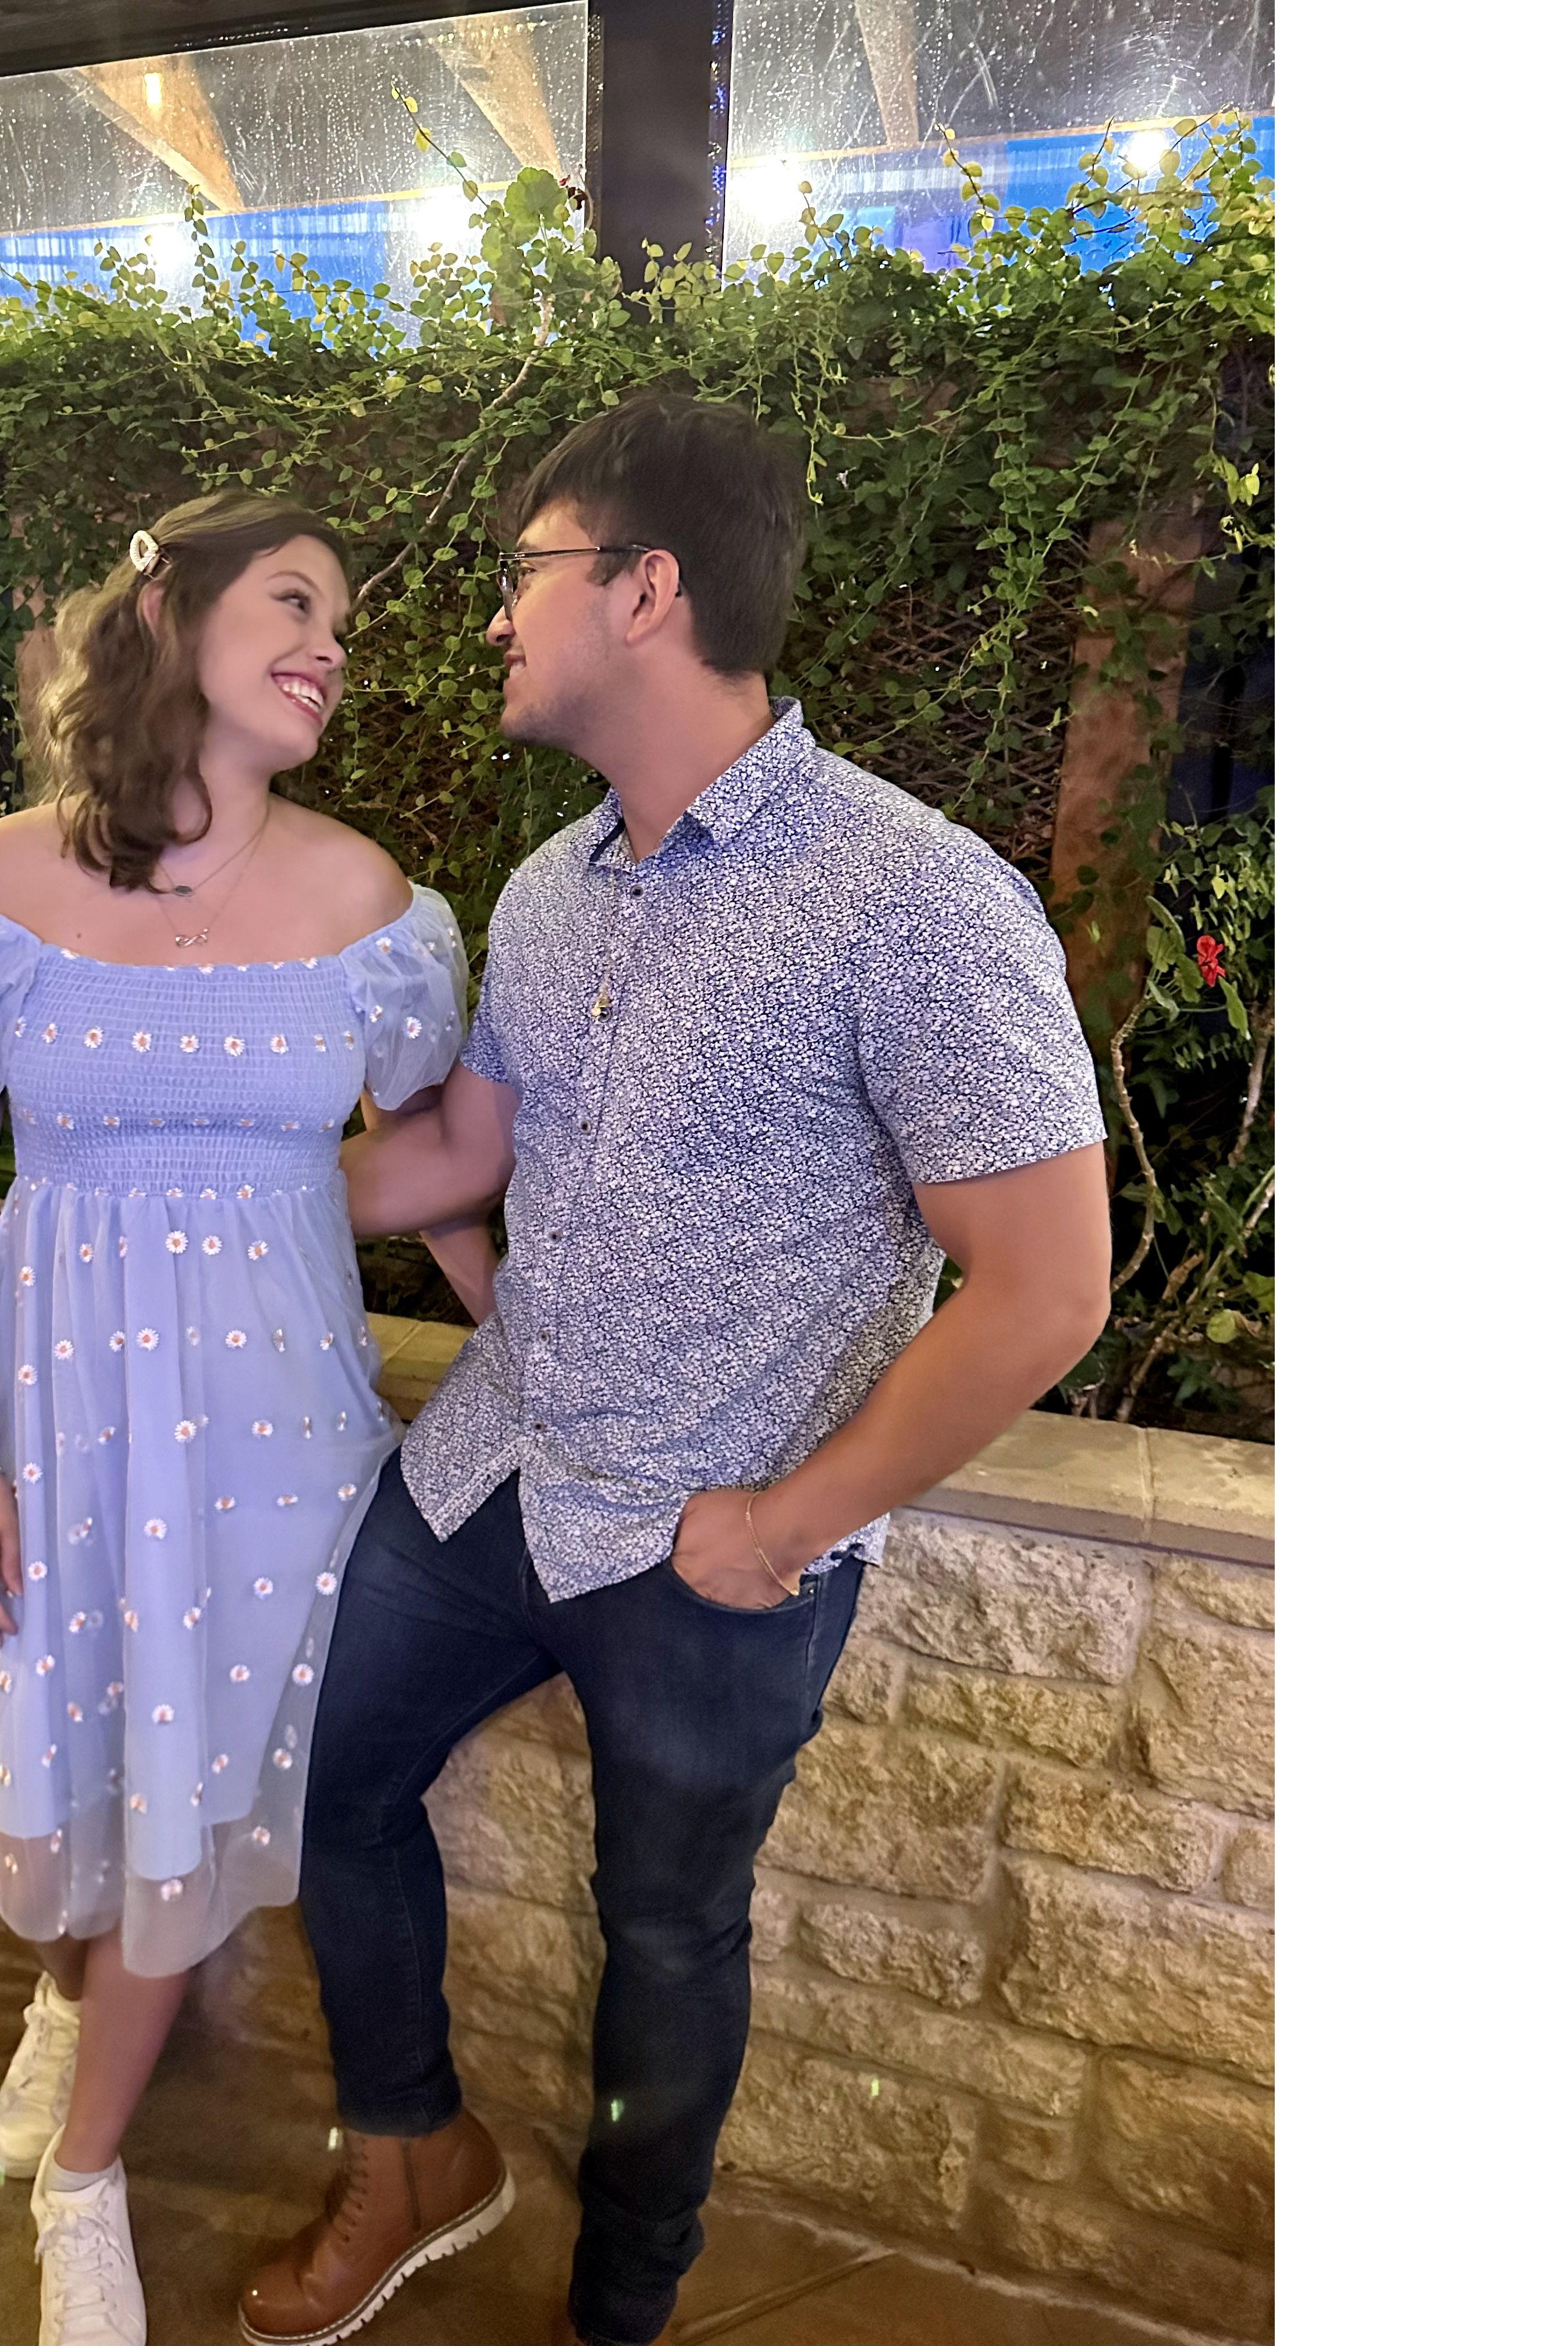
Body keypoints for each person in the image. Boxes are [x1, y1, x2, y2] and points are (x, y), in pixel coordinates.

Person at [238, 396, 1114, 2346]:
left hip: (715, 1542)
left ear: (646, 591)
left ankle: (619, 2312)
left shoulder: (917, 898)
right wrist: (198, 1187)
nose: (492, 619)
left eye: (522, 575)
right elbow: (462, 1158)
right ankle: (412, 2154)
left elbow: (1049, 1289)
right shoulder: (555, 891)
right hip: (492, 1474)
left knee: (666, 1941)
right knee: (322, 1780)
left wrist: (788, 1524)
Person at [0, 489, 489, 2346]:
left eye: (342, 622)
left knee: (188, 1788)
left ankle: (86, 2185)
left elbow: (440, 1165)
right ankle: (66, 2002)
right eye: (295, 602)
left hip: (279, 1443)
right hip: (54, 1427)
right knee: (53, 1767)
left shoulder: (370, 905)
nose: (331, 646)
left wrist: (523, 1346)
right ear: (171, 616)